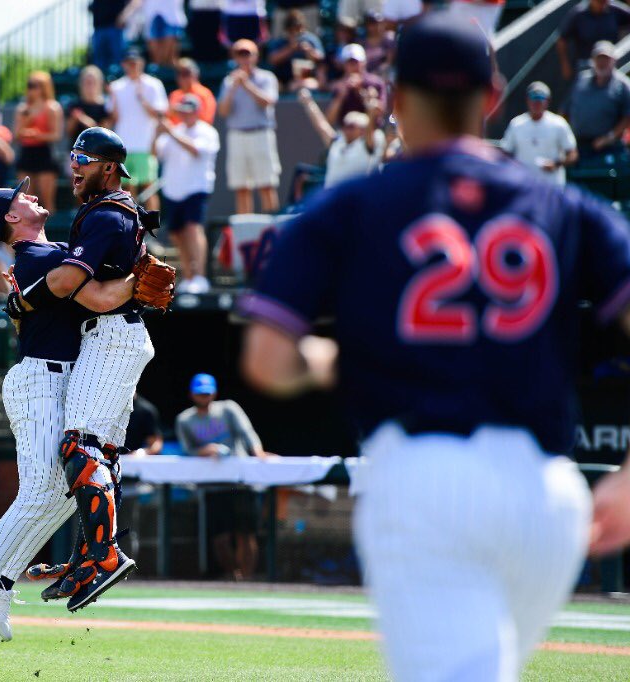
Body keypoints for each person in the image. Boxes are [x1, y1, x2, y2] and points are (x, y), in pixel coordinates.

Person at [238, 13, 630, 680]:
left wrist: (330, 361)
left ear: (394, 99)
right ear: (494, 97)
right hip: (546, 496)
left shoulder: (347, 208)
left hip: (425, 481)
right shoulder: (569, 209)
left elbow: (267, 361)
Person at [0, 174, 139, 647]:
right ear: (12, 216)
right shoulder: (41, 257)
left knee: (62, 493)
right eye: (22, 196)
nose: (33, 194)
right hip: (40, 378)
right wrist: (138, 276)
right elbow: (100, 297)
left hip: (61, 377)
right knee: (41, 491)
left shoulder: (50, 251)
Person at [15, 129, 159, 613]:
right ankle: (89, 557)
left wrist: (29, 295)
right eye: (73, 156)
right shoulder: (111, 210)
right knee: (102, 453)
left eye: (84, 158)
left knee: (79, 446)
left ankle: (103, 556)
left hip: (111, 333)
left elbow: (74, 286)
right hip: (120, 333)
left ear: (110, 166)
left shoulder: (106, 214)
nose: (74, 165)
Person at [175, 373, 265, 580]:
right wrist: (205, 450)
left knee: (246, 533)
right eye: (200, 393)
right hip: (213, 485)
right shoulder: (185, 419)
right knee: (219, 537)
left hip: (240, 482)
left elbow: (247, 432)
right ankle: (233, 576)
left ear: (214, 393)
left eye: (207, 393)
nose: (204, 397)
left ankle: (247, 578)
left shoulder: (228, 408)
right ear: (192, 395)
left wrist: (257, 451)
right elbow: (187, 449)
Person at [154, 95, 220, 293]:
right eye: (182, 111)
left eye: (189, 111)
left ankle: (200, 277)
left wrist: (170, 131)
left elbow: (195, 150)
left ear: (197, 112)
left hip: (196, 188)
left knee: (193, 228)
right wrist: (156, 132)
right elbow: (155, 153)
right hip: (173, 190)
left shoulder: (207, 132)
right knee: (177, 234)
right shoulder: (175, 131)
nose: (185, 114)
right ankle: (189, 277)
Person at [218, 39, 281, 215]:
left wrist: (246, 84)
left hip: (260, 133)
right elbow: (223, 111)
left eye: (248, 54)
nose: (244, 58)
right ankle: (245, 229)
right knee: (241, 187)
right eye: (240, 54)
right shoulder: (228, 82)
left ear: (256, 56)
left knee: (266, 184)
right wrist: (233, 89)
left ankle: (271, 227)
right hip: (237, 135)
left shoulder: (266, 78)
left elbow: (267, 101)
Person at [107, 50, 169, 209]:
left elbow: (160, 115)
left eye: (135, 62)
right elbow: (113, 117)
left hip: (145, 146)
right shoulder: (116, 87)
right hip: (124, 148)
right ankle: (131, 221)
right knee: (127, 189)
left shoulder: (153, 84)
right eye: (130, 63)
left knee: (149, 188)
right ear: (124, 64)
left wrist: (142, 99)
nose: (133, 66)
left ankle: (152, 223)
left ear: (142, 63)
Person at [298, 87, 386, 187]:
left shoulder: (368, 143)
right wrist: (308, 102)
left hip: (356, 195)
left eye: (351, 126)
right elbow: (321, 125)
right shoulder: (338, 142)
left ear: (362, 130)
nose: (346, 129)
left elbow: (370, 126)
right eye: (345, 125)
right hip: (332, 194)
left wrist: (370, 108)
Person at [501, 82, 578, 186]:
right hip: (524, 186)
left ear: (547, 101)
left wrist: (556, 164)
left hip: (552, 187)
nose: (536, 103)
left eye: (541, 99)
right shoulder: (516, 124)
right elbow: (506, 153)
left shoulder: (559, 123)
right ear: (527, 100)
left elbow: (573, 154)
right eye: (533, 98)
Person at [564, 41, 630, 160]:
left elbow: (627, 117)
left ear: (614, 61)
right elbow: (565, 110)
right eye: (598, 58)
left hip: (609, 148)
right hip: (579, 146)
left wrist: (609, 137)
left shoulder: (623, 85)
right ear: (592, 60)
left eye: (605, 59)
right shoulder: (581, 80)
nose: (601, 63)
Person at [14, 71, 63, 214]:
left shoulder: (52, 107)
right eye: (30, 85)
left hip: (44, 152)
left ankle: (49, 228)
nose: (32, 89)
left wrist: (38, 135)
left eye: (36, 85)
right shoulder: (23, 108)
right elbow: (16, 134)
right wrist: (29, 119)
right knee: (25, 200)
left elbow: (56, 135)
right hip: (27, 153)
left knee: (46, 201)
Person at [557, 0, 630, 81]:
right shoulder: (578, 14)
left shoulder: (615, 10)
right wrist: (565, 64)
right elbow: (562, 39)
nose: (602, 3)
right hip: (585, 64)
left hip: (610, 62)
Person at [326, 44, 387, 128]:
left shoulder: (376, 83)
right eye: (349, 63)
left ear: (364, 62)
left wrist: (361, 92)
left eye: (356, 62)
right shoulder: (340, 86)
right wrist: (341, 95)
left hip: (371, 131)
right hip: (346, 133)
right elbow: (329, 120)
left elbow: (380, 112)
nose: (353, 66)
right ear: (344, 65)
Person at [267, 10, 326, 91]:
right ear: (287, 29)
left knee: (308, 84)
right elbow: (272, 59)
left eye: (298, 28)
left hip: (306, 78)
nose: (295, 32)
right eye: (292, 29)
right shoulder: (280, 42)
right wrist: (291, 48)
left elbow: (321, 58)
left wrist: (309, 51)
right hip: (284, 80)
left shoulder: (310, 39)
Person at [122, 0, 187, 66]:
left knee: (170, 58)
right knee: (157, 59)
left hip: (172, 18)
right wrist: (126, 14)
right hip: (151, 18)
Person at [66, 66, 112, 150]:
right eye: (87, 82)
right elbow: (68, 131)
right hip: (77, 151)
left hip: (98, 152)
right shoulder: (74, 105)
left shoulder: (106, 106)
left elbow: (103, 133)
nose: (90, 86)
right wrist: (74, 119)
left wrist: (83, 119)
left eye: (93, 82)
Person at [167, 58, 217, 124]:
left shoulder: (204, 93)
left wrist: (184, 112)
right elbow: (167, 118)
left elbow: (207, 119)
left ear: (195, 74)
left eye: (186, 73)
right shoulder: (174, 95)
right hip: (176, 129)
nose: (182, 77)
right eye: (179, 73)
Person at [90, 0, 129, 71]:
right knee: (99, 63)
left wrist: (124, 15)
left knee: (117, 62)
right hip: (99, 28)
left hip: (115, 28)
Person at [359, 11, 395, 78]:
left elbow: (389, 62)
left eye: (377, 23)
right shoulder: (361, 41)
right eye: (371, 24)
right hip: (365, 75)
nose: (375, 27)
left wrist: (376, 74)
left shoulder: (389, 39)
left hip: (384, 75)